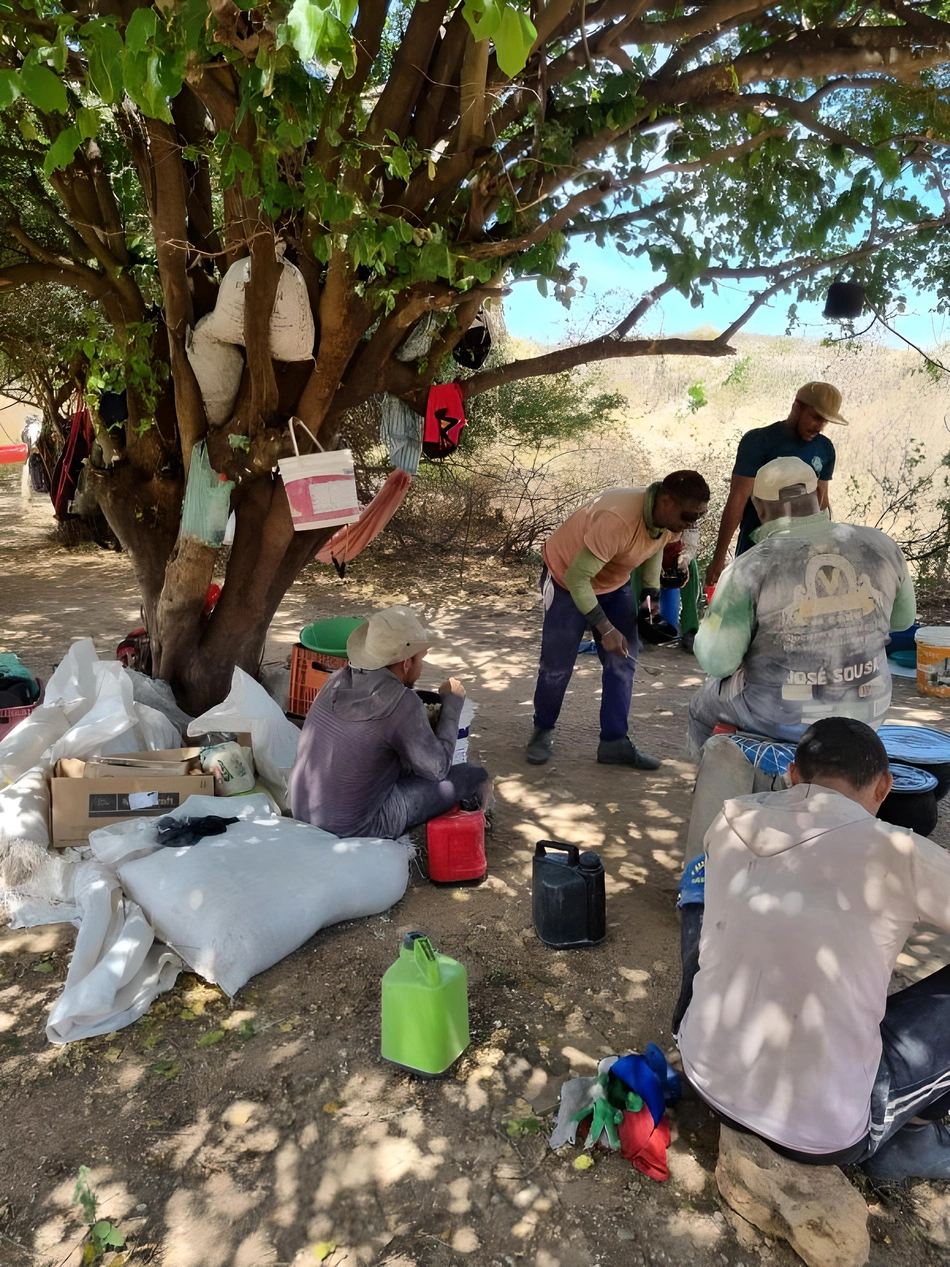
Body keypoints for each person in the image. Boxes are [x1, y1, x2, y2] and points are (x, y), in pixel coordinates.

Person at [676, 718, 950, 1180]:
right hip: (820, 1131)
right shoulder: (900, 852)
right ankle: (914, 1138)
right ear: (885, 787)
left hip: (702, 1075)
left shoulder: (731, 815)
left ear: (794, 776)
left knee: (701, 898)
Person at [687, 456, 915, 751]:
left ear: (758, 507)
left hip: (781, 718)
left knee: (702, 709)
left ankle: (719, 789)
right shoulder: (881, 545)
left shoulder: (749, 568)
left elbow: (717, 661)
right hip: (868, 712)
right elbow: (902, 621)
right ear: (819, 496)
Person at [526, 470, 710, 769]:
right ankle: (542, 728)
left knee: (623, 660)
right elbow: (577, 577)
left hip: (612, 583)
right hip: (565, 579)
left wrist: (648, 605)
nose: (692, 523)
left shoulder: (669, 519)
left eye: (699, 516)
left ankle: (614, 742)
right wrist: (605, 627)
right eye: (690, 515)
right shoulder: (618, 519)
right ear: (665, 501)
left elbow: (652, 548)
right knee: (557, 665)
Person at [289, 605, 491, 838]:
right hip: (359, 827)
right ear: (406, 663)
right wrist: (453, 703)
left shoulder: (336, 679)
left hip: (303, 812)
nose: (421, 667)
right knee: (472, 774)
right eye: (420, 660)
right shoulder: (402, 702)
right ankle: (483, 815)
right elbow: (437, 769)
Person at [705, 381, 847, 587]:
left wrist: (826, 546)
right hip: (756, 548)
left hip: (803, 550)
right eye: (815, 417)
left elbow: (822, 500)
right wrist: (718, 558)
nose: (819, 426)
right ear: (797, 406)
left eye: (825, 421)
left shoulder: (825, 449)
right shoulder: (758, 441)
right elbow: (737, 499)